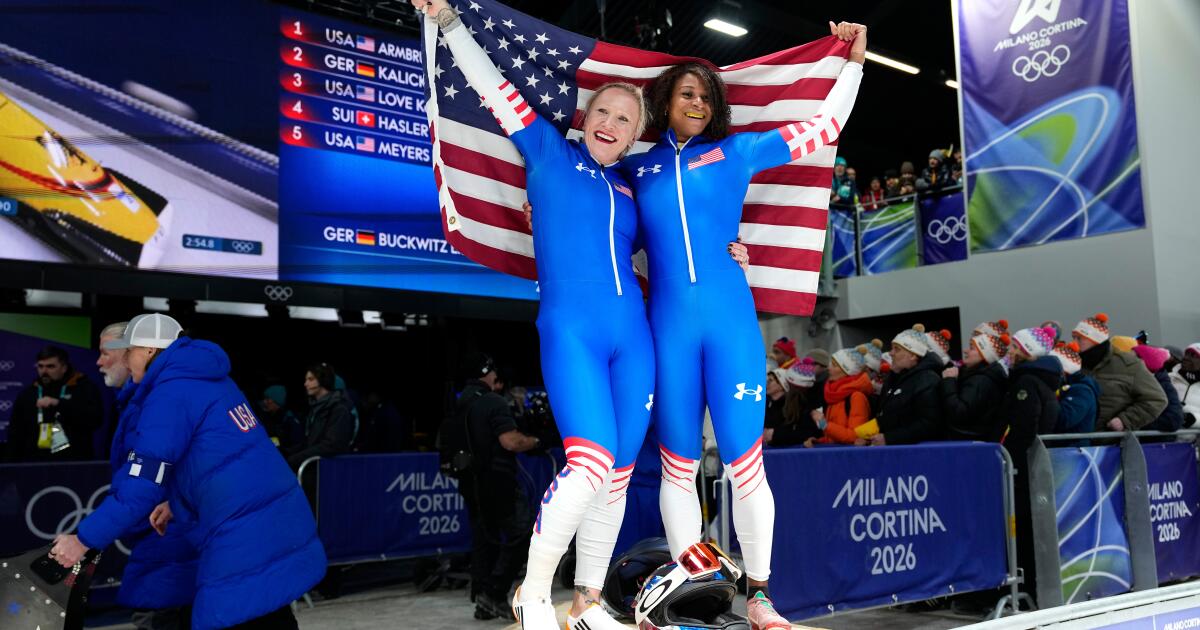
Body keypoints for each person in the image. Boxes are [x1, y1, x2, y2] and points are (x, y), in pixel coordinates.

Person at [413, 4, 744, 626]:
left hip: (636, 340)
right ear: (584, 118)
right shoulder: (547, 151)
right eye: (603, 113)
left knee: (617, 478)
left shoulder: (631, 187)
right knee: (588, 463)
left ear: (635, 131)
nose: (612, 123)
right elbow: (493, 87)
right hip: (574, 334)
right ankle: (532, 592)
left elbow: (682, 237)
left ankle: (588, 600)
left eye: (625, 117)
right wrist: (451, 25)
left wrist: (731, 249)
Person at [618, 21, 865, 626]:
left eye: (706, 96)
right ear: (664, 103)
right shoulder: (635, 167)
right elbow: (588, 198)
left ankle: (760, 596)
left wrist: (854, 63)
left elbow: (824, 128)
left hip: (730, 326)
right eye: (686, 94)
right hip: (668, 331)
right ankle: (688, 595)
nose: (698, 103)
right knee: (677, 467)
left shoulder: (736, 152)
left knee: (742, 465)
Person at [50, 313, 325, 629]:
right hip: (271, 518)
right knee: (262, 609)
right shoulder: (211, 380)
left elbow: (141, 484)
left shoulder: (169, 392)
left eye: (130, 351)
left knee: (235, 611)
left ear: (150, 351)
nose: (125, 359)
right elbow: (218, 455)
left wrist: (82, 541)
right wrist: (177, 500)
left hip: (241, 528)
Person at [96, 320, 198, 629]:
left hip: (167, 543)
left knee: (159, 617)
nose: (99, 362)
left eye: (105, 353)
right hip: (163, 539)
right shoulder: (136, 403)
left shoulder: (152, 405)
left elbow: (148, 482)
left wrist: (87, 536)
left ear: (132, 354)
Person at [446, 353, 540, 621]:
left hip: (471, 483)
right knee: (522, 534)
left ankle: (483, 601)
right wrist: (536, 441)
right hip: (498, 482)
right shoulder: (492, 402)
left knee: (485, 540)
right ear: (489, 374)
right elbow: (510, 441)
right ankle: (495, 593)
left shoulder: (459, 403)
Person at [1000, 326, 1060, 604]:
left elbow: (1024, 428)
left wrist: (1005, 456)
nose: (1009, 352)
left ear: (1026, 353)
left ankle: (1027, 592)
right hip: (1031, 464)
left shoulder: (1026, 383)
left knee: (1022, 530)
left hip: (1022, 466)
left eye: (1014, 348)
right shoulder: (1041, 381)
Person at [5, 345, 103, 462]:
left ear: (64, 367)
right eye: (40, 366)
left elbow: (95, 420)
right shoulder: (28, 393)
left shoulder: (83, 388)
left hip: (73, 462)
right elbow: (15, 432)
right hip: (34, 463)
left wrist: (60, 404)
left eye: (50, 366)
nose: (44, 371)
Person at [1072, 313, 1167, 432]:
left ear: (1096, 340)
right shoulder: (1071, 363)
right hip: (1074, 442)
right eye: (1073, 337)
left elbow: (1156, 399)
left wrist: (1125, 420)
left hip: (1111, 444)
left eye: (1079, 338)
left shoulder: (1129, 365)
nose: (1074, 342)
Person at [868, 326, 943, 445]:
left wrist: (889, 438)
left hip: (915, 454)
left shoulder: (928, 380)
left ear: (913, 355)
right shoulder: (893, 377)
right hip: (894, 451)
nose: (890, 353)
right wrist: (868, 435)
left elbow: (929, 424)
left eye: (897, 349)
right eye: (892, 348)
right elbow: (888, 416)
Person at [941, 333, 1009, 441]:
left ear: (984, 355)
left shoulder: (981, 380)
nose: (965, 351)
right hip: (970, 440)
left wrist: (949, 381)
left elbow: (959, 413)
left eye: (972, 348)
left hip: (967, 442)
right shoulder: (980, 375)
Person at [286, 363, 354, 469]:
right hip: (314, 468)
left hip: (330, 471)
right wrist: (286, 453)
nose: (305, 384)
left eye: (311, 379)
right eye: (306, 379)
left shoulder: (339, 409)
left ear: (323, 380)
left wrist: (295, 459)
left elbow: (331, 445)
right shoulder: (315, 408)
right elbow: (310, 441)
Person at [810, 347, 872, 446]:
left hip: (848, 458)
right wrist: (817, 442)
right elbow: (834, 437)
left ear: (846, 372)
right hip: (837, 454)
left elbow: (854, 437)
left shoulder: (856, 397)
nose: (829, 368)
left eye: (834, 365)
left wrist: (823, 424)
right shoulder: (834, 394)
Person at [764, 360, 823, 448]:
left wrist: (774, 434)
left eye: (789, 384)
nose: (767, 383)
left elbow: (818, 431)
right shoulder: (792, 404)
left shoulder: (808, 405)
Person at [1132, 344, 1184, 433]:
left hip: (1156, 443)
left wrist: (1134, 425)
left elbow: (1173, 420)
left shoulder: (1164, 386)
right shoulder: (1129, 382)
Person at [1051, 341, 1100, 435]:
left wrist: (1047, 397)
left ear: (1063, 371)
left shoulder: (1082, 391)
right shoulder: (1063, 384)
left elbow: (1064, 420)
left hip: (1071, 448)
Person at [260, 385, 304, 453]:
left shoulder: (290, 420)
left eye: (268, 399)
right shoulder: (268, 416)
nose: (264, 402)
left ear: (277, 401)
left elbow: (297, 446)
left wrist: (282, 451)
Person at [1169, 344, 1200, 428]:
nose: (1186, 358)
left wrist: (1194, 419)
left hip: (1192, 439)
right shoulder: (1169, 378)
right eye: (1186, 354)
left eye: (1193, 355)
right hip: (1163, 438)